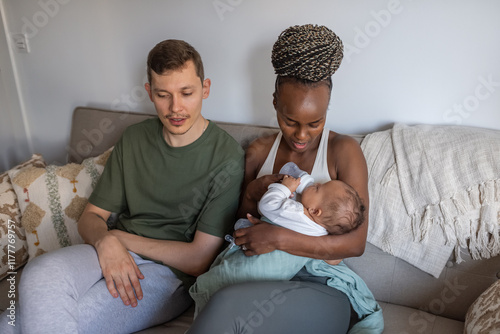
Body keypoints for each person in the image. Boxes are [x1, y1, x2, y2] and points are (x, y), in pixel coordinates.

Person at [2, 39, 244, 334]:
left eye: (187, 93)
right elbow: (91, 218)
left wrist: (119, 239)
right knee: (39, 275)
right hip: (112, 249)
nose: (175, 108)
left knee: (64, 317)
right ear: (149, 93)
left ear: (205, 88)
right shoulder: (133, 139)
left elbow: (198, 259)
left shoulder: (227, 156)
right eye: (163, 95)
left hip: (170, 276)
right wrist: (106, 243)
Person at [188, 24, 383, 334]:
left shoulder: (343, 151)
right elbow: (239, 226)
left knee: (226, 308)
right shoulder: (259, 151)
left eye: (315, 122)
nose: (302, 135)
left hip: (319, 284)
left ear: (327, 109)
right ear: (275, 103)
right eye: (290, 121)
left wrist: (279, 239)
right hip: (257, 278)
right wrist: (253, 193)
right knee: (225, 307)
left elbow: (355, 242)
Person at [189, 171, 366, 314]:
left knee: (214, 293)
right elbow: (333, 259)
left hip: (245, 270)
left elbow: (268, 205)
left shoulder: (298, 212)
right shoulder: (322, 232)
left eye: (318, 188)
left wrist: (284, 188)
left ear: (315, 211)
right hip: (265, 285)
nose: (314, 184)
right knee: (229, 310)